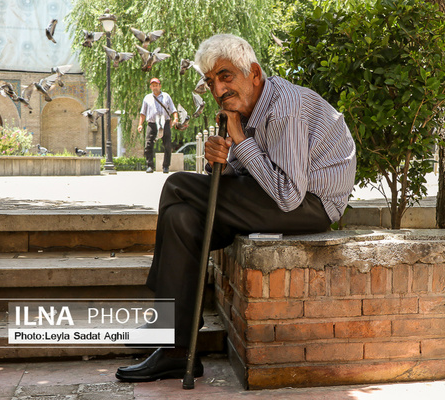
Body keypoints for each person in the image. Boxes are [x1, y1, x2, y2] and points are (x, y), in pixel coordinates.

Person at [115, 34, 357, 382]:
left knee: (177, 185)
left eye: (225, 76)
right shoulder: (247, 110)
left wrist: (240, 142)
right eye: (211, 81)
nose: (217, 89)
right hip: (273, 200)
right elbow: (250, 176)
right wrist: (225, 161)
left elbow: (288, 193)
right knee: (181, 218)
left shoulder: (284, 107)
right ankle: (176, 349)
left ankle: (164, 324)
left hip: (311, 206)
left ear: (254, 74)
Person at [138, 77, 179, 173]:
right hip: (152, 124)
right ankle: (150, 166)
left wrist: (175, 119)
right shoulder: (147, 98)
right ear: (150, 87)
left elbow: (173, 110)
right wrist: (140, 124)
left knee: (168, 145)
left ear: (160, 86)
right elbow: (143, 113)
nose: (155, 87)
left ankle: (166, 166)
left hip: (165, 123)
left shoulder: (166, 96)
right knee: (148, 145)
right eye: (153, 86)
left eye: (156, 85)